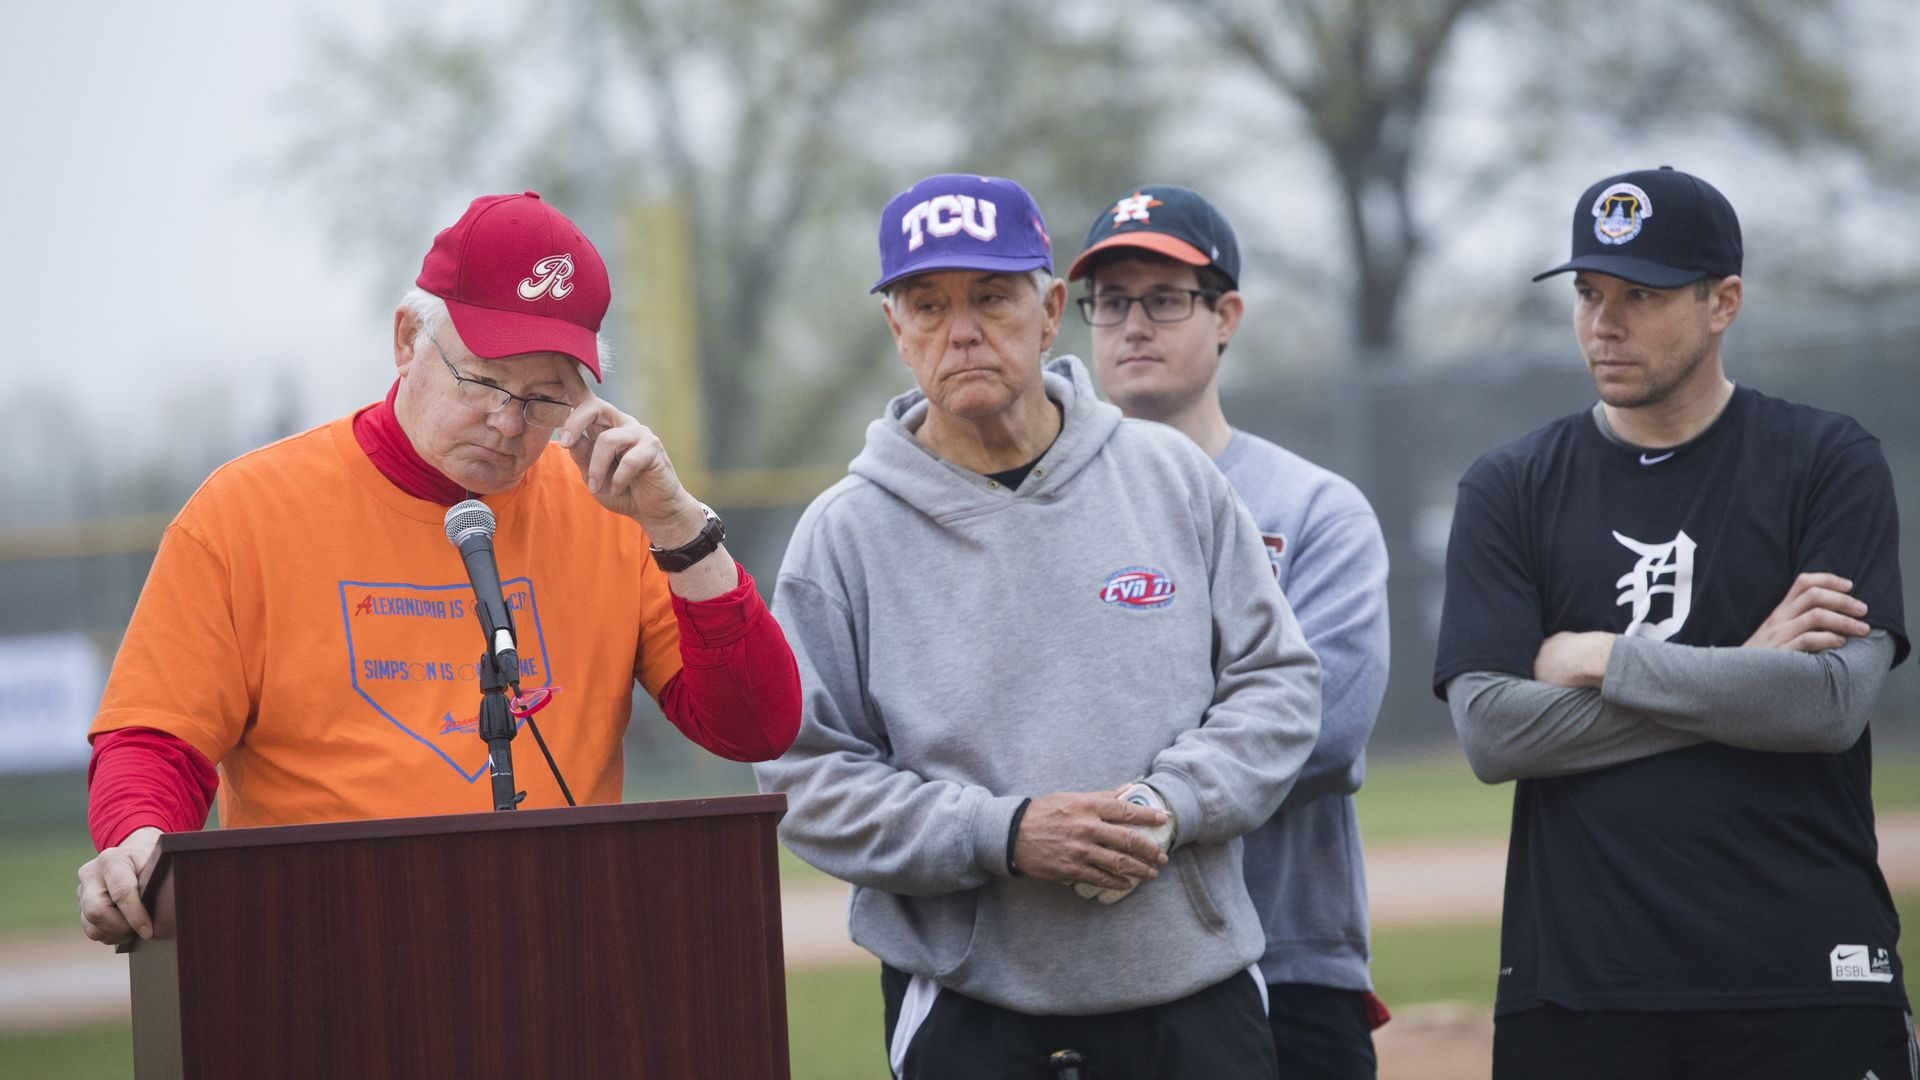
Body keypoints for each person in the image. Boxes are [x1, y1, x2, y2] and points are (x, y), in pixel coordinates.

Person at [78, 191, 801, 947]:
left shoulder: (609, 510)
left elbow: (756, 725)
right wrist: (138, 837)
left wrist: (677, 522)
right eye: (485, 380)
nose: (509, 422)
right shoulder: (244, 512)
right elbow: (155, 739)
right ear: (406, 339)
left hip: (563, 955)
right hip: (315, 954)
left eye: (546, 397)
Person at [753, 173, 1323, 1080]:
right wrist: (1002, 833)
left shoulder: (1169, 476)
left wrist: (1167, 804)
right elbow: (807, 777)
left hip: (1192, 995)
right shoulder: (844, 534)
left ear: (1050, 308)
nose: (963, 329)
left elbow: (1280, 685)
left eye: (992, 296)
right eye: (927, 304)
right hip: (970, 1009)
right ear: (895, 331)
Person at [1433, 166, 1912, 1078]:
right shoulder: (1509, 487)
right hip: (1577, 988)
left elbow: (1825, 709)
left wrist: (1602, 657)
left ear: (1723, 301)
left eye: (1641, 295)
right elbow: (1494, 734)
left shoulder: (1826, 459)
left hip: (1806, 974)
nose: (1603, 324)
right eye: (1587, 293)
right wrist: (1746, 672)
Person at [1069, 184, 1392, 1078]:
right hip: (1084, 966)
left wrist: (1118, 788)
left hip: (1287, 957)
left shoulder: (1314, 509)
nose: (1134, 324)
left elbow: (1323, 733)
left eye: (1166, 298)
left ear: (1227, 316)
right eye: (1111, 300)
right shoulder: (1036, 512)